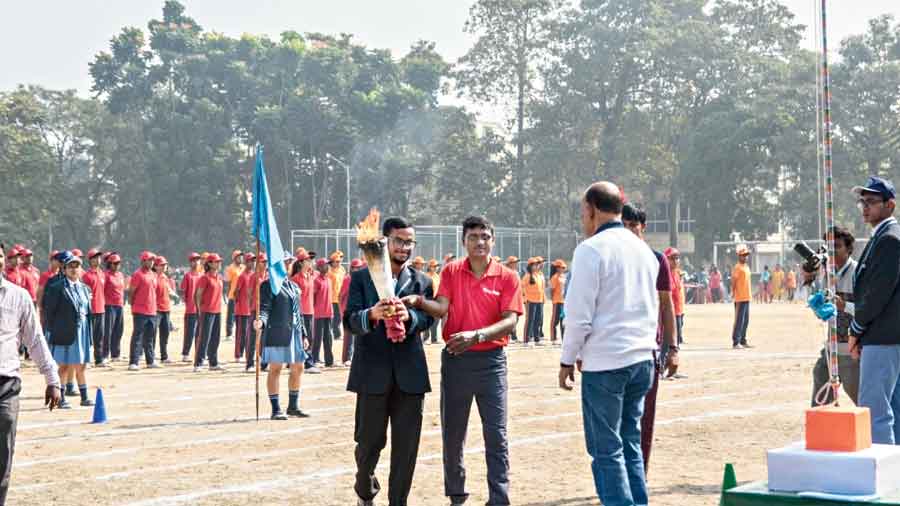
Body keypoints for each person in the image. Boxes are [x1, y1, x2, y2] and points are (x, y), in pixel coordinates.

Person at [407, 215, 522, 506]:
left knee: (496, 434)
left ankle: (499, 498)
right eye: (473, 237)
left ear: (492, 240)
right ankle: (456, 495)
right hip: (457, 361)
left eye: (485, 236)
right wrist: (419, 302)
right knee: (453, 433)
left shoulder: (507, 276)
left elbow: (510, 321)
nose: (480, 242)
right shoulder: (451, 272)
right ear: (464, 241)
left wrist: (479, 335)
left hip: (492, 363)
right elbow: (442, 307)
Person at [559, 182, 660, 506]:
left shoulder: (590, 249)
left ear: (591, 208)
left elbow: (578, 316)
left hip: (607, 363)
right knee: (630, 441)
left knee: (606, 449)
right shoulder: (644, 250)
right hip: (642, 358)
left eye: (582, 212)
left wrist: (566, 359)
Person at [345, 216, 435, 506]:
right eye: (399, 240)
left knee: (406, 448)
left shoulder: (422, 281)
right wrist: (372, 315)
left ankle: (399, 501)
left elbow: (428, 320)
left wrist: (411, 318)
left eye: (409, 242)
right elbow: (348, 321)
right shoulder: (360, 278)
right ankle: (365, 490)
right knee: (368, 443)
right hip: (372, 372)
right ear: (384, 242)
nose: (404, 247)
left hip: (411, 375)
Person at [0, 242, 61, 503]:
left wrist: (52, 378)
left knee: (3, 457)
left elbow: (34, 339)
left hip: (6, 385)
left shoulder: (19, 296)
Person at [622, 203, 677, 475]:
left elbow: (667, 306)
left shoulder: (657, 259)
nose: (630, 230)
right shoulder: (612, 258)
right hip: (616, 350)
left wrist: (673, 348)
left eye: (634, 225)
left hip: (648, 351)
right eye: (625, 225)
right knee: (615, 420)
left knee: (644, 418)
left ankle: (639, 475)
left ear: (643, 227)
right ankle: (617, 478)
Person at [849, 176, 900, 444]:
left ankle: (886, 477)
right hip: (887, 336)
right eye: (862, 202)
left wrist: (856, 329)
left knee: (875, 412)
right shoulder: (881, 237)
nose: (865, 207)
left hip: (883, 336)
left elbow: (878, 294)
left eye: (872, 202)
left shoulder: (889, 239)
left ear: (890, 205)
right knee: (891, 408)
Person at [806, 227, 859, 406]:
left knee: (865, 402)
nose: (831, 251)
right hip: (831, 349)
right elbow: (822, 312)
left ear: (848, 249)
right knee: (820, 389)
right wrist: (817, 306)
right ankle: (821, 430)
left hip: (854, 351)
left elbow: (869, 310)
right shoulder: (825, 274)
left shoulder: (858, 273)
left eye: (836, 246)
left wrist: (845, 306)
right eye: (828, 246)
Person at [256, 261, 310, 420]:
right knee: (276, 368)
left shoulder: (293, 286)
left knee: (298, 367)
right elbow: (264, 308)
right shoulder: (268, 285)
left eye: (288, 262)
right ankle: (276, 409)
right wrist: (261, 321)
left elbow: (299, 312)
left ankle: (293, 406)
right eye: (284, 262)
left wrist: (304, 334)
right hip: (277, 331)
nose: (287, 265)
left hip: (295, 331)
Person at [42, 251, 95, 409]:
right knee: (64, 365)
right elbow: (49, 310)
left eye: (77, 266)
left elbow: (88, 311)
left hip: (82, 331)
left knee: (81, 365)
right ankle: (61, 398)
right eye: (70, 266)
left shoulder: (85, 288)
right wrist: (52, 330)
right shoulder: (56, 287)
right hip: (64, 330)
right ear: (64, 269)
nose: (74, 269)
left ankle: (84, 397)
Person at [127, 251, 159, 371]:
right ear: (143, 261)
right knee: (137, 336)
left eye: (152, 260)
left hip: (152, 311)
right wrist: (133, 306)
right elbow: (131, 292)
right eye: (149, 260)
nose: (151, 262)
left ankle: (150, 361)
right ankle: (133, 362)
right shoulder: (138, 274)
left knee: (150, 337)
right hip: (140, 311)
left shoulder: (153, 274)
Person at [194, 253, 225, 372]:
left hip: (217, 311)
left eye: (219, 261)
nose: (219, 263)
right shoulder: (204, 278)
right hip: (207, 311)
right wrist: (199, 310)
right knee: (204, 337)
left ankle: (213, 362)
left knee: (215, 338)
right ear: (210, 264)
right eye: (216, 262)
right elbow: (198, 295)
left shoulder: (219, 277)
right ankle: (199, 363)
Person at [292, 251, 319, 374]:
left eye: (311, 260)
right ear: (301, 262)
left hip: (310, 311)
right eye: (308, 260)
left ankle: (305, 361)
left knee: (310, 337)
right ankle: (308, 363)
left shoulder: (310, 276)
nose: (311, 262)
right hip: (301, 313)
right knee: (303, 338)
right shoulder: (295, 278)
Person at [81, 249, 107, 367]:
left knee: (99, 336)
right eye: (95, 257)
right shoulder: (86, 276)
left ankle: (99, 359)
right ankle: (86, 359)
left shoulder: (102, 274)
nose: (98, 259)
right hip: (90, 310)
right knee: (88, 336)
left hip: (101, 309)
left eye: (99, 257)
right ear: (90, 260)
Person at [245, 253, 268, 372]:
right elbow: (249, 293)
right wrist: (252, 306)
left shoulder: (268, 276)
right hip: (256, 309)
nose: (265, 264)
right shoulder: (254, 277)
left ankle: (264, 363)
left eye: (266, 262)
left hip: (266, 311)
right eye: (263, 262)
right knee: (253, 337)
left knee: (265, 337)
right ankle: (249, 364)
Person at [179, 252, 203, 362]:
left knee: (200, 332)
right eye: (194, 260)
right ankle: (185, 353)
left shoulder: (202, 276)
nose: (196, 262)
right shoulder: (188, 276)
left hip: (202, 309)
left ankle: (198, 352)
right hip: (191, 309)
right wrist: (187, 302)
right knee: (189, 332)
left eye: (197, 260)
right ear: (190, 262)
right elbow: (183, 291)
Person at [340, 258, 364, 366]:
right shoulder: (347, 279)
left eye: (359, 267)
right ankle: (347, 358)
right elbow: (341, 295)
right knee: (348, 336)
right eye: (355, 268)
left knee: (356, 335)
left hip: (358, 310)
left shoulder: (361, 279)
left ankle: (353, 356)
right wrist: (342, 310)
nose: (357, 269)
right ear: (351, 268)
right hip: (348, 310)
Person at [103, 253, 126, 363]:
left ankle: (115, 354)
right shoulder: (106, 275)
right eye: (115, 263)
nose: (117, 265)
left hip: (119, 305)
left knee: (118, 330)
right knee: (108, 331)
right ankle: (105, 355)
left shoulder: (121, 275)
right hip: (109, 306)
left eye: (119, 263)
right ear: (110, 264)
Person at [312, 258, 335, 368]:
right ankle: (314, 359)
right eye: (325, 265)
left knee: (328, 337)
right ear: (320, 267)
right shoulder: (316, 281)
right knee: (318, 337)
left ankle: (329, 361)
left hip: (328, 313)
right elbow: (313, 297)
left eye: (328, 265)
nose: (328, 267)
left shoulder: (329, 280)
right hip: (319, 314)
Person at [234, 253, 255, 364]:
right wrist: (240, 304)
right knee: (240, 334)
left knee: (249, 335)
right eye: (251, 260)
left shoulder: (254, 275)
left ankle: (248, 354)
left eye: (253, 260)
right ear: (246, 262)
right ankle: (238, 354)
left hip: (250, 310)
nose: (253, 263)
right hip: (241, 310)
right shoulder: (242, 276)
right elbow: (236, 292)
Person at [153, 256, 175, 364]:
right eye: (161, 265)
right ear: (155, 266)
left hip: (166, 308)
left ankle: (164, 356)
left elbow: (168, 289)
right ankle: (150, 355)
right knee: (152, 333)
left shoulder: (165, 277)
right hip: (156, 309)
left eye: (165, 265)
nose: (164, 267)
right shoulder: (153, 277)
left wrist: (173, 295)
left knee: (165, 333)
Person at [731, 246, 753, 349]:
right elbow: (734, 281)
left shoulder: (747, 267)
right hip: (740, 297)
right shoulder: (737, 267)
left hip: (747, 297)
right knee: (739, 320)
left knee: (746, 320)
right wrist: (733, 292)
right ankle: (736, 342)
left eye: (746, 255)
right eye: (744, 255)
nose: (746, 257)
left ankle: (743, 340)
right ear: (739, 256)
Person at [522, 257, 546, 346]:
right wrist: (526, 299)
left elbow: (542, 289)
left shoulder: (539, 275)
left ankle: (537, 339)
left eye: (537, 264)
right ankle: (526, 340)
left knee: (538, 320)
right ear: (530, 266)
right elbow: (522, 289)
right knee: (530, 320)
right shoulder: (527, 276)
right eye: (534, 265)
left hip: (539, 300)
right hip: (530, 301)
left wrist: (543, 298)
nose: (536, 266)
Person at [665, 248, 685, 348]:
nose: (676, 261)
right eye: (672, 258)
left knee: (679, 329)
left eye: (677, 258)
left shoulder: (677, 273)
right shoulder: (665, 275)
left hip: (679, 309)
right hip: (671, 311)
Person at [224, 250, 245, 341]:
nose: (241, 258)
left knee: (241, 315)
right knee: (231, 315)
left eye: (241, 256)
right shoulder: (230, 268)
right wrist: (229, 295)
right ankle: (229, 334)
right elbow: (228, 283)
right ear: (234, 258)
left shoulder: (244, 268)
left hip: (243, 297)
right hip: (233, 296)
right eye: (238, 257)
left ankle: (240, 332)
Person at [328, 251, 346, 341]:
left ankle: (336, 333)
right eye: (337, 261)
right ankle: (336, 334)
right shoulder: (329, 272)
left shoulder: (342, 269)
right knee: (334, 317)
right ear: (332, 262)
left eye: (340, 261)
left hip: (340, 297)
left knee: (339, 317)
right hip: (332, 298)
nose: (339, 263)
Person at [549, 259, 567, 343]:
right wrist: (553, 300)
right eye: (562, 267)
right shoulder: (554, 277)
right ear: (557, 268)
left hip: (564, 302)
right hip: (557, 301)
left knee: (563, 321)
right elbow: (552, 290)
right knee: (555, 320)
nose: (563, 269)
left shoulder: (563, 276)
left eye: (564, 267)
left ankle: (564, 338)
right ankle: (553, 338)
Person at [503, 256, 520, 343]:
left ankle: (513, 336)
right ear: (510, 264)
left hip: (516, 298)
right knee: (508, 318)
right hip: (509, 299)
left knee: (516, 318)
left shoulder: (516, 273)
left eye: (516, 262)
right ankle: (508, 336)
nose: (516, 264)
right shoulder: (506, 273)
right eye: (514, 262)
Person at [424, 259, 441, 344]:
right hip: (428, 299)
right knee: (427, 318)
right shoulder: (426, 276)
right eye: (434, 266)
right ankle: (426, 338)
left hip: (436, 300)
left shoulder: (437, 276)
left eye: (436, 266)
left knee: (436, 320)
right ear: (429, 267)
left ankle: (434, 339)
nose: (435, 268)